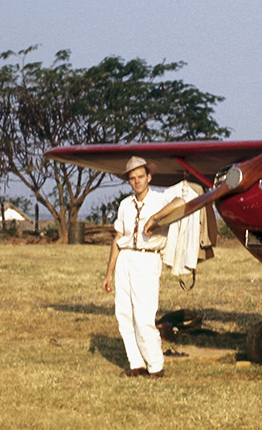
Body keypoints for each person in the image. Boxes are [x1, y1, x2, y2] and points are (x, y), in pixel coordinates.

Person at [102, 156, 185, 378]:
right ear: (129, 181)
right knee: (124, 314)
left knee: (144, 315)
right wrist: (109, 273)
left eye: (141, 177)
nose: (137, 182)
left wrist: (155, 218)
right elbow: (118, 239)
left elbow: (182, 203)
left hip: (147, 259)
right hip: (125, 259)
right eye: (132, 178)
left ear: (149, 177)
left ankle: (156, 366)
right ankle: (136, 363)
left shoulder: (160, 199)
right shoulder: (125, 205)